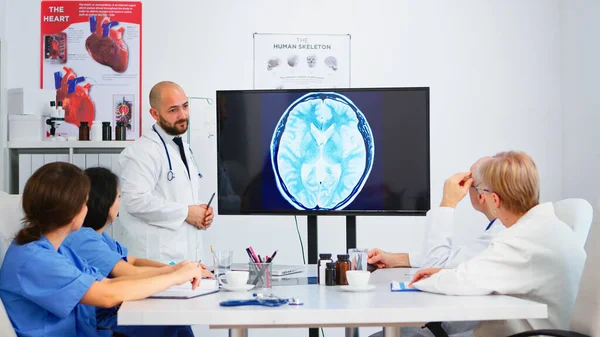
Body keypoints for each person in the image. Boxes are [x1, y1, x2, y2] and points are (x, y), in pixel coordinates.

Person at [0, 162, 205, 337]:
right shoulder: (35, 259)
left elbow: (107, 282)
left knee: (173, 327)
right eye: (84, 201)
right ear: (73, 210)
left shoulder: (54, 250)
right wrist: (173, 277)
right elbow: (107, 294)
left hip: (90, 330)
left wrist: (176, 272)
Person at [409, 151, 586, 337]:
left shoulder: (522, 239)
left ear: (494, 199)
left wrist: (427, 280)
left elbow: (462, 282)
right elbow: (479, 271)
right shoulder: (547, 228)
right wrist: (447, 273)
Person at [62, 166, 213, 337]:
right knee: (174, 328)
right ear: (105, 201)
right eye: (119, 197)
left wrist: (178, 268)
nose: (121, 202)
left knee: (177, 325)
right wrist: (177, 273)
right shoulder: (83, 239)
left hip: (111, 312)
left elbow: (132, 261)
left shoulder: (99, 237)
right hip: (100, 322)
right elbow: (129, 271)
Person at [116, 81, 214, 264]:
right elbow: (134, 201)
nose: (183, 115)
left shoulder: (181, 147)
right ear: (154, 114)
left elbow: (177, 195)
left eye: (185, 106)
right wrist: (186, 212)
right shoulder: (141, 152)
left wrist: (201, 210)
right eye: (173, 110)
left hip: (186, 260)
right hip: (155, 261)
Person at [368, 157, 505, 270]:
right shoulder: (501, 231)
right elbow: (450, 258)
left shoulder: (500, 238)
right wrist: (395, 259)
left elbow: (435, 264)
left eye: (470, 183)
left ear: (481, 195)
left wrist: (448, 201)